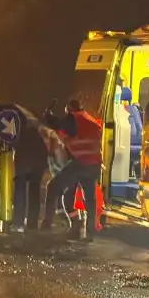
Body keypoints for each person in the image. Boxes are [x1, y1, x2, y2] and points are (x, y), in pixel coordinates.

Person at [42, 98, 103, 240]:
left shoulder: (73, 119)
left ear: (69, 109)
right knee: (89, 197)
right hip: (93, 164)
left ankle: (48, 224)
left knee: (53, 187)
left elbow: (59, 124)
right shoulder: (90, 120)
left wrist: (48, 115)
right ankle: (89, 231)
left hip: (80, 162)